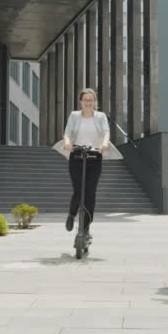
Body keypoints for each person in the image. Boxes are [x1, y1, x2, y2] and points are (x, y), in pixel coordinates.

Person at [63, 88, 110, 239]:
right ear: (81, 102)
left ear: (94, 102)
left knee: (90, 193)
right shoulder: (74, 116)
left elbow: (106, 132)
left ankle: (86, 229)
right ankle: (72, 214)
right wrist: (68, 142)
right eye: (85, 100)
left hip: (95, 157)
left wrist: (104, 144)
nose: (88, 103)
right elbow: (67, 133)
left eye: (91, 100)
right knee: (78, 190)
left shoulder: (101, 116)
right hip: (77, 156)